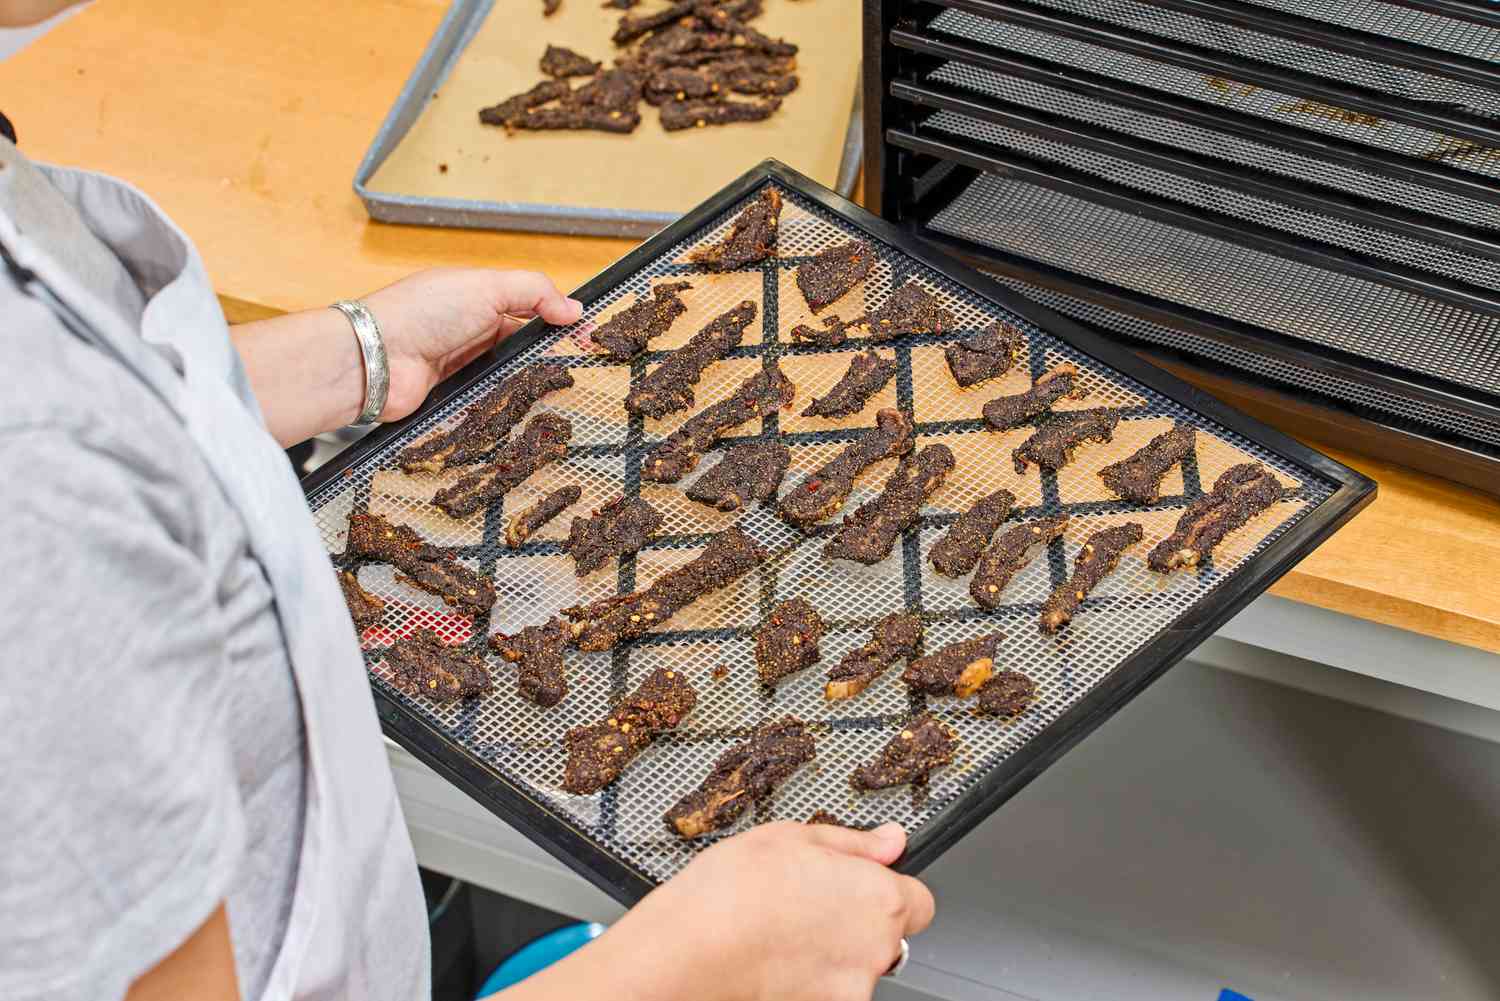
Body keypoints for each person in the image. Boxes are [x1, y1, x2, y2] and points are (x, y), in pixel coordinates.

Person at [0, 3, 936, 1001]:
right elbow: (51, 460)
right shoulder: (41, 478)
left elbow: (102, 416)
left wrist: (346, 355)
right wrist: (693, 967)